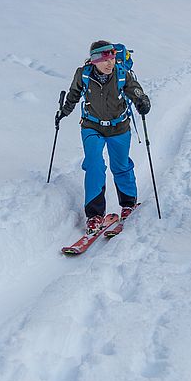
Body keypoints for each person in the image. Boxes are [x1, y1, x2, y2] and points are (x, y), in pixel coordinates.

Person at [57, 40, 151, 236]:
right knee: (94, 165)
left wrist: (142, 101)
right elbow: (74, 94)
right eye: (105, 59)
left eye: (113, 58)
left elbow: (136, 91)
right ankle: (94, 215)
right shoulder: (83, 74)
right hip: (92, 126)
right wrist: (64, 112)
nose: (110, 63)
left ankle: (128, 204)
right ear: (94, 61)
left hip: (119, 127)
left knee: (121, 165)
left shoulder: (122, 74)